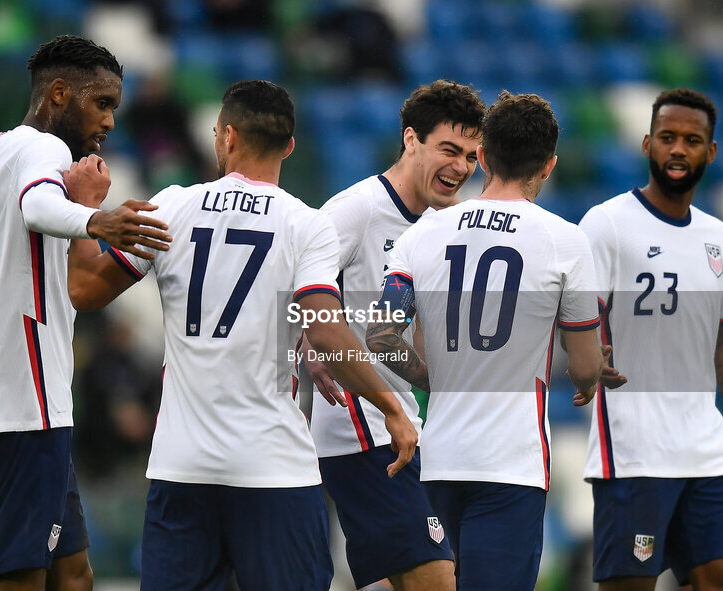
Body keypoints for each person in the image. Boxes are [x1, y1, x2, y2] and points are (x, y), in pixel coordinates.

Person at [62, 79, 419, 591]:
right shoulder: (305, 224)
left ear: (226, 136)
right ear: (290, 147)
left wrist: (86, 209)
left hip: (182, 466)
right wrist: (389, 406)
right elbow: (321, 323)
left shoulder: (173, 206)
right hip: (272, 467)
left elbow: (83, 288)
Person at [0, 35, 168, 591]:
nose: (109, 122)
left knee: (72, 573)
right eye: (102, 104)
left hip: (4, 412)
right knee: (20, 579)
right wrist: (94, 220)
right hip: (22, 412)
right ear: (58, 93)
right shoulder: (41, 150)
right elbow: (38, 205)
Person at [365, 91, 606, 591]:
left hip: (439, 461)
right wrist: (590, 377)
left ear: (486, 157)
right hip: (511, 465)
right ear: (549, 164)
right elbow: (584, 364)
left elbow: (382, 333)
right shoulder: (565, 239)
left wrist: (431, 376)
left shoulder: (424, 233)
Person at [578, 88, 723, 591]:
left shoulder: (717, 238)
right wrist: (584, 357)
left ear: (710, 152)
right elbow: (573, 321)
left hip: (706, 451)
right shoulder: (607, 225)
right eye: (667, 137)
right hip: (633, 451)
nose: (678, 149)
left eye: (692, 140)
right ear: (647, 143)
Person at [304, 79, 485, 591]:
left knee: (391, 582)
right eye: (449, 150)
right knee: (435, 579)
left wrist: (434, 374)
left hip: (402, 422)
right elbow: (291, 282)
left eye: (471, 156)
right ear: (411, 140)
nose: (461, 167)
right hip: (362, 426)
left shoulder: (442, 225)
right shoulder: (357, 209)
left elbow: (387, 336)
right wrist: (309, 340)